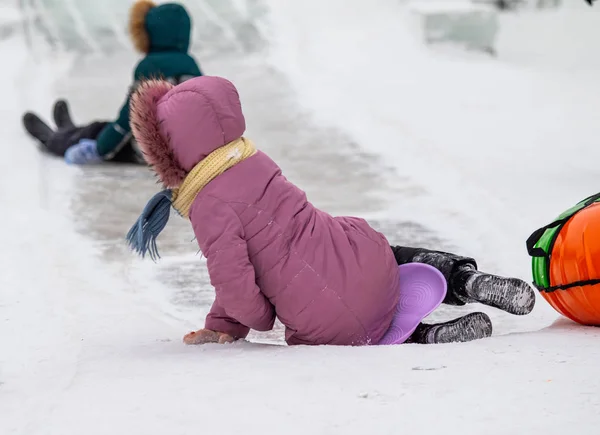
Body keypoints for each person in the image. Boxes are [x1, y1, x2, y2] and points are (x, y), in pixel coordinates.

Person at [125, 76, 536, 347]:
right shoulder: (253, 160)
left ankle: (429, 336)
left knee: (357, 323)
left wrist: (250, 319)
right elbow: (251, 257)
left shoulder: (208, 205)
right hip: (364, 264)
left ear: (171, 152)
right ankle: (466, 279)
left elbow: (236, 281)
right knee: (372, 251)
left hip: (324, 320)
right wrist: (224, 321)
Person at [22, 1, 202, 165]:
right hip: (178, 152)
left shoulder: (150, 66)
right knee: (100, 130)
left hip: (146, 152)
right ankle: (69, 130)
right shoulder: (192, 67)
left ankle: (53, 139)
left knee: (96, 131)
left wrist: (99, 150)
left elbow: (130, 118)